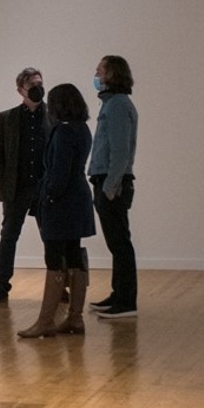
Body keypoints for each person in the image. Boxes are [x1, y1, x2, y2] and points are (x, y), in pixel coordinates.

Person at [18, 84, 96, 339]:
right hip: (78, 198)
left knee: (54, 258)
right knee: (73, 254)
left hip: (61, 202)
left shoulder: (62, 132)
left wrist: (47, 196)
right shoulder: (81, 128)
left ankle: (46, 321)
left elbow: (58, 173)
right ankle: (75, 317)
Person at [0, 67, 49, 303]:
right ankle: (2, 284)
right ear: (20, 90)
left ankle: (59, 285)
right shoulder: (8, 118)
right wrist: (2, 177)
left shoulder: (51, 115)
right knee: (9, 235)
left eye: (39, 83)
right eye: (32, 85)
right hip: (16, 187)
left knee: (51, 237)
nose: (37, 89)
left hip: (45, 187)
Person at [88, 55, 139, 319]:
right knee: (117, 244)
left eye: (99, 71)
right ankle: (118, 295)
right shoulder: (113, 104)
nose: (95, 75)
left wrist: (110, 186)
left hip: (112, 183)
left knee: (120, 244)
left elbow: (120, 151)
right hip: (108, 181)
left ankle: (126, 301)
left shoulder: (117, 106)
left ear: (111, 75)